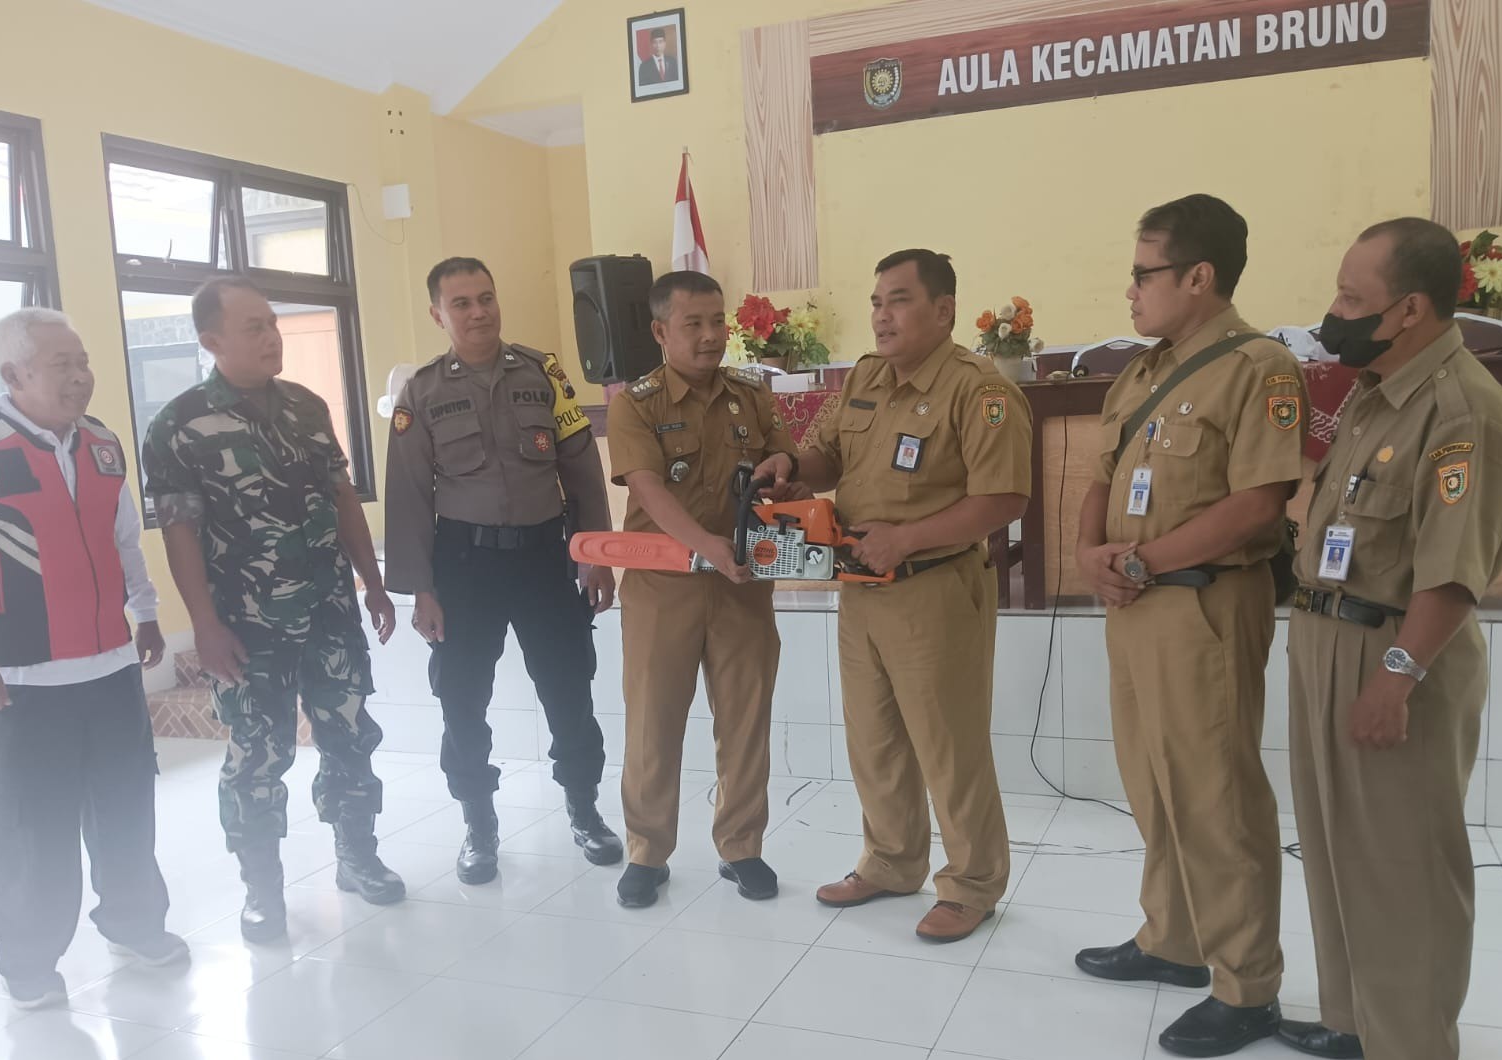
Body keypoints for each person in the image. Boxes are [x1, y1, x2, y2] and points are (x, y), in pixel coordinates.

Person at [1282, 218, 1502, 1060]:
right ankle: (1360, 1024)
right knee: (1338, 847)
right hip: (1327, 637)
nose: (1334, 314)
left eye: (1353, 299)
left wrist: (1395, 677)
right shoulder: (1375, 391)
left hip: (1395, 652)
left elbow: (1453, 571)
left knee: (1402, 863)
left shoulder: (1463, 411)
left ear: (1411, 309)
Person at [1070, 195, 1306, 1056]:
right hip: (1135, 604)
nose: (1130, 289)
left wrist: (1143, 561)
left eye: (1145, 272)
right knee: (1153, 780)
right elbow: (1103, 472)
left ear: (1199, 277)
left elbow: (1258, 504)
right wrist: (1092, 549)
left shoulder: (1260, 368)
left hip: (1204, 603)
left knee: (1216, 795)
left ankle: (1247, 987)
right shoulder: (1142, 371)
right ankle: (1173, 938)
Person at [143, 276, 403, 943]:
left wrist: (372, 582)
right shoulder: (179, 426)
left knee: (349, 736)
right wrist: (202, 625)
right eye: (252, 326)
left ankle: (358, 855)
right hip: (246, 625)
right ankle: (262, 890)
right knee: (259, 755)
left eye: (272, 322)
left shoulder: (306, 408)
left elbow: (343, 499)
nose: (271, 335)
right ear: (211, 341)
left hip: (330, 611)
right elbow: (180, 533)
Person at [787, 249, 1031, 943]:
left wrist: (908, 537)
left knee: (948, 743)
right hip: (861, 588)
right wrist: (791, 469)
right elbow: (826, 454)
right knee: (874, 738)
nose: (880, 315)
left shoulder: (978, 389)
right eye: (875, 301)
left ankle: (973, 881)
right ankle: (892, 862)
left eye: (897, 300)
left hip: (935, 588)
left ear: (944, 310)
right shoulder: (866, 377)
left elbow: (1004, 497)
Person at [0, 309, 185, 1008]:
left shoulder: (101, 444)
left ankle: (134, 923)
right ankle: (28, 962)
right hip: (23, 682)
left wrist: (145, 613)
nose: (81, 376)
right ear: (14, 374)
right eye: (63, 364)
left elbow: (125, 540)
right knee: (35, 827)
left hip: (110, 666)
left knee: (126, 807)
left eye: (82, 361)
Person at [385, 257, 619, 881]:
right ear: (439, 314)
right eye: (461, 303)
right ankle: (478, 825)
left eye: (486, 297)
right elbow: (407, 494)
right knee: (461, 700)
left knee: (570, 689)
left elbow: (580, 468)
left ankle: (585, 811)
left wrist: (594, 555)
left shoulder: (543, 373)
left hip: (546, 558)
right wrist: (421, 590)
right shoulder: (422, 392)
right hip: (464, 566)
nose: (478, 311)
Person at [605, 270, 802, 908]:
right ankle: (646, 852)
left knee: (746, 719)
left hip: (742, 583)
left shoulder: (752, 397)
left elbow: (783, 463)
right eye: (694, 324)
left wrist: (783, 476)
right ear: (662, 331)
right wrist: (704, 546)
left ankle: (741, 847)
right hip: (665, 586)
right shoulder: (635, 403)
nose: (711, 335)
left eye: (718, 322)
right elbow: (649, 489)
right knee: (653, 722)